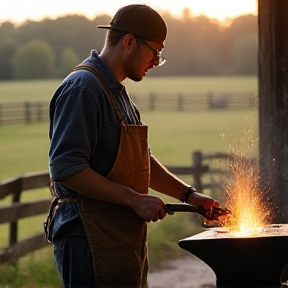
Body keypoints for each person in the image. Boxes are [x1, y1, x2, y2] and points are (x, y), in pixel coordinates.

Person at [46, 4, 219, 288]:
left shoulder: (118, 94)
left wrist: (190, 195)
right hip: (87, 240)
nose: (155, 61)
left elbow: (140, 161)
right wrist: (134, 199)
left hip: (119, 239)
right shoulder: (83, 88)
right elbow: (66, 167)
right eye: (155, 52)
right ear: (128, 41)